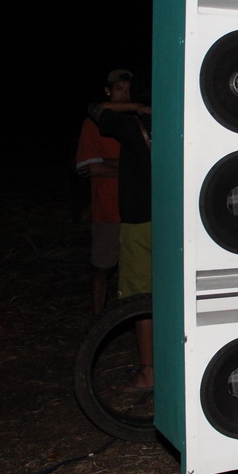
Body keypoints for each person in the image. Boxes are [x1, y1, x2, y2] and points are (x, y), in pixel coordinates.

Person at [90, 79, 153, 390]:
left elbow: (96, 109)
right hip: (176, 224)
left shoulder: (132, 126)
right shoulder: (182, 125)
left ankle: (148, 371)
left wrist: (135, 108)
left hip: (140, 223)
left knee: (141, 300)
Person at [76, 69, 131, 315]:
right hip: (107, 210)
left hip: (135, 211)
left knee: (133, 271)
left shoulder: (135, 122)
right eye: (119, 89)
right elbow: (91, 167)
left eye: (128, 90)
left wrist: (109, 164)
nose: (124, 94)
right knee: (102, 268)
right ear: (108, 91)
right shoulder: (93, 124)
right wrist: (131, 167)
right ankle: (97, 320)